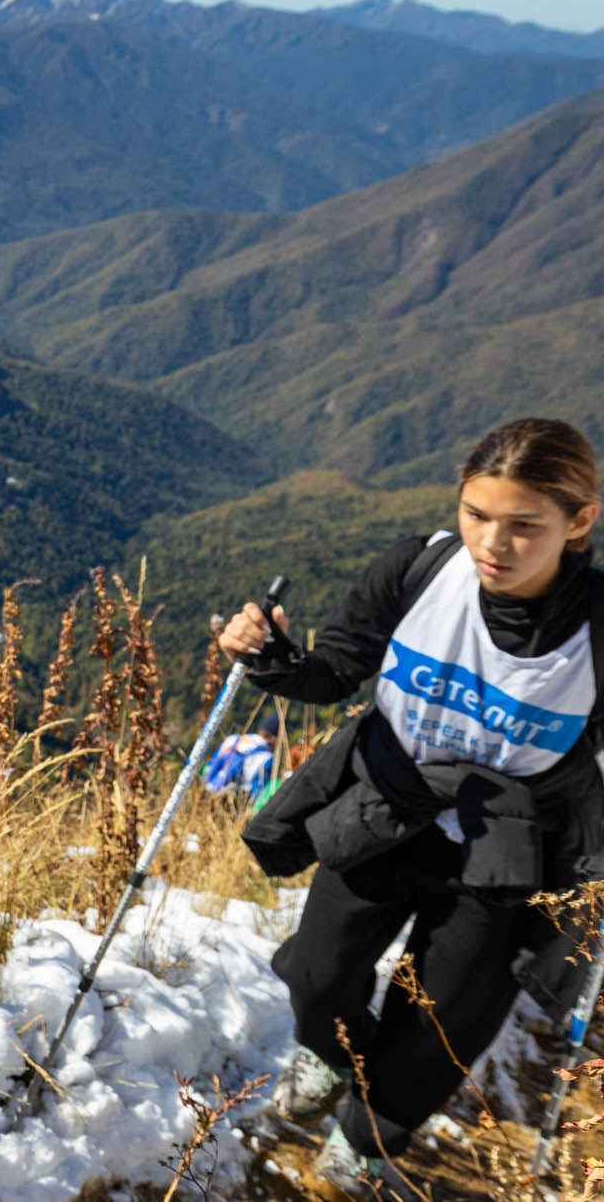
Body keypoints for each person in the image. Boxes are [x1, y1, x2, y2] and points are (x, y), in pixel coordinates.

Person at [219, 418, 604, 1194]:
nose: (493, 542)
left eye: (524, 524)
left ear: (579, 521)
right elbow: (336, 669)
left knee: (441, 1019)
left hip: (508, 845)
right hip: (386, 804)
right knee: (319, 973)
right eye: (476, 513)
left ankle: (369, 1133)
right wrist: (269, 657)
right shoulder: (421, 568)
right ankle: (332, 1054)